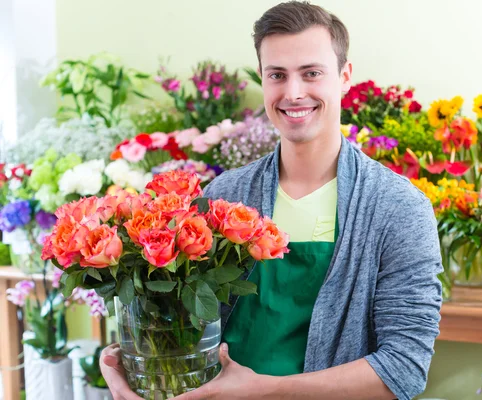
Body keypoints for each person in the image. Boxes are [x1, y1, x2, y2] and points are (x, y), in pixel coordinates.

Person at [101, 2, 443, 399]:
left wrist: (262, 391)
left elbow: (404, 369)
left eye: (311, 73)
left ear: (344, 76)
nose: (293, 93)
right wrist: (133, 364)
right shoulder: (223, 197)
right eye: (277, 75)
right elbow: (181, 326)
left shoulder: (397, 209)